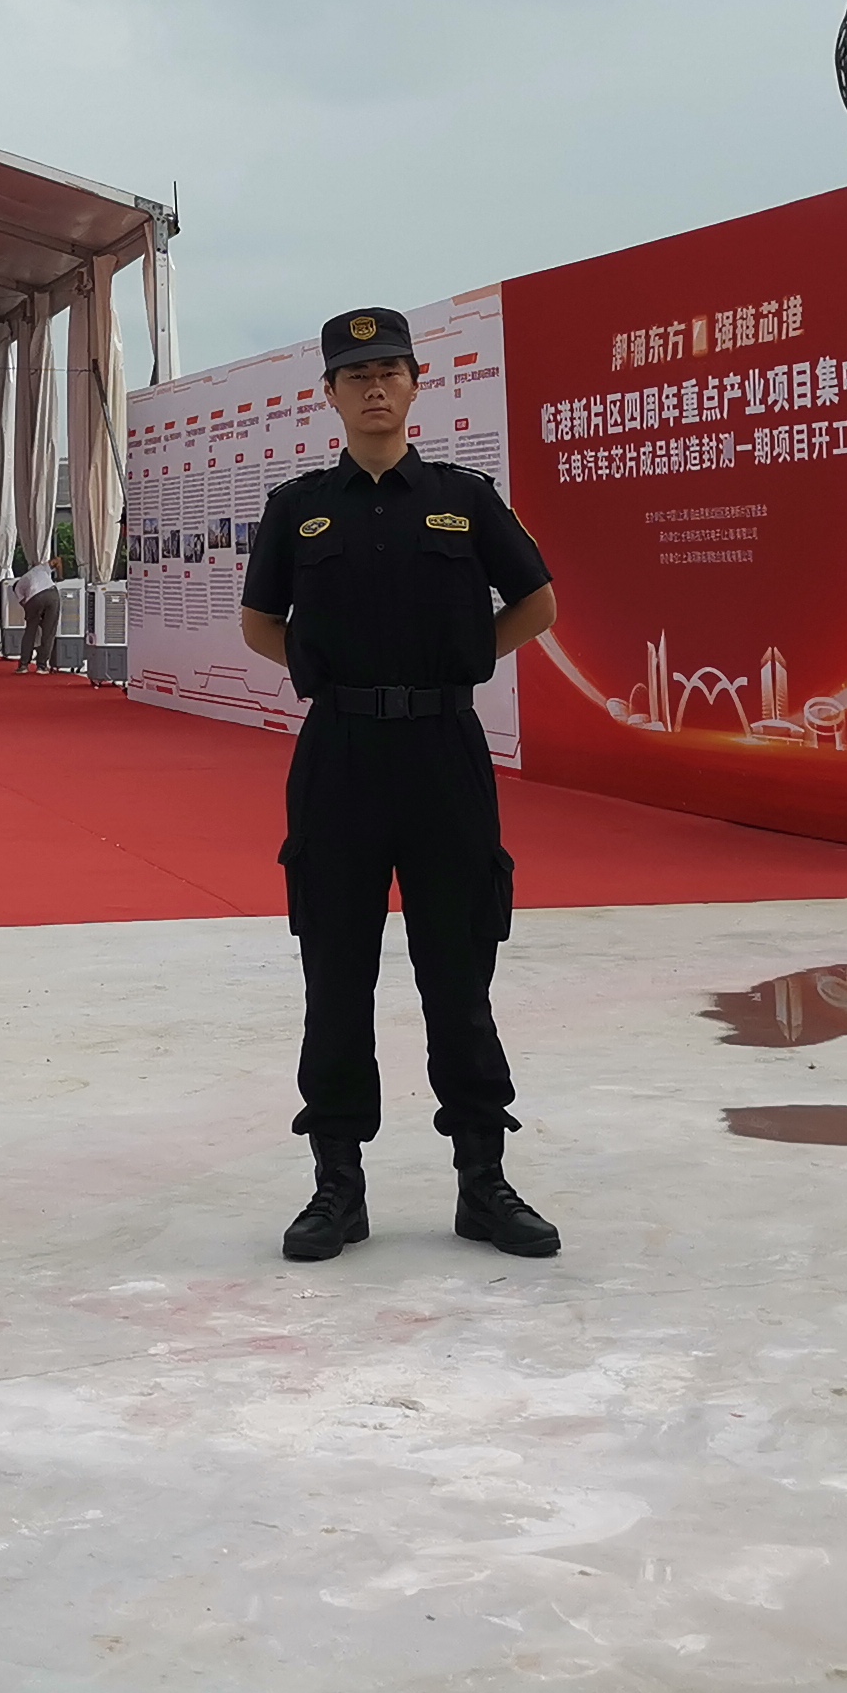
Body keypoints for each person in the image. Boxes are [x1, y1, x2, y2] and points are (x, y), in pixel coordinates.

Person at [238, 306, 564, 1266]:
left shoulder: (465, 499)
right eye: (357, 375)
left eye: (390, 371)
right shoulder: (299, 507)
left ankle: (483, 1180)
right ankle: (337, 1185)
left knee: (459, 973)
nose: (375, 387)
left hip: (443, 751)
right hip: (338, 755)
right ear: (330, 395)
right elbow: (260, 623)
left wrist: (463, 662)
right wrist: (328, 676)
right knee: (336, 973)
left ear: (418, 384)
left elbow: (537, 602)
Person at [12, 554, 61, 670]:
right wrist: (60, 577)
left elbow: (24, 604)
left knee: (30, 631)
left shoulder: (17, 588)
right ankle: (42, 666)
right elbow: (58, 560)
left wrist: (32, 619)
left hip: (34, 599)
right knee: (49, 632)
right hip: (52, 594)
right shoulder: (39, 568)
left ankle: (24, 664)